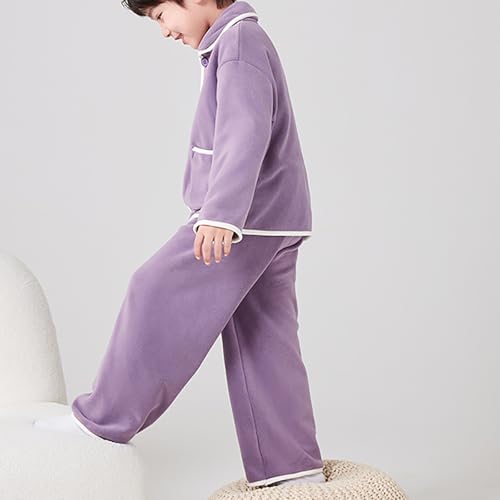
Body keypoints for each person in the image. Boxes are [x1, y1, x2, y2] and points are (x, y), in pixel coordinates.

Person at [33, 0, 326, 488]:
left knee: (152, 290)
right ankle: (292, 467)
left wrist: (220, 214)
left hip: (244, 219)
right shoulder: (239, 41)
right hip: (275, 218)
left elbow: (244, 129)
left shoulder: (238, 44)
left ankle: (102, 421)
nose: (165, 30)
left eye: (161, 15)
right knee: (263, 340)